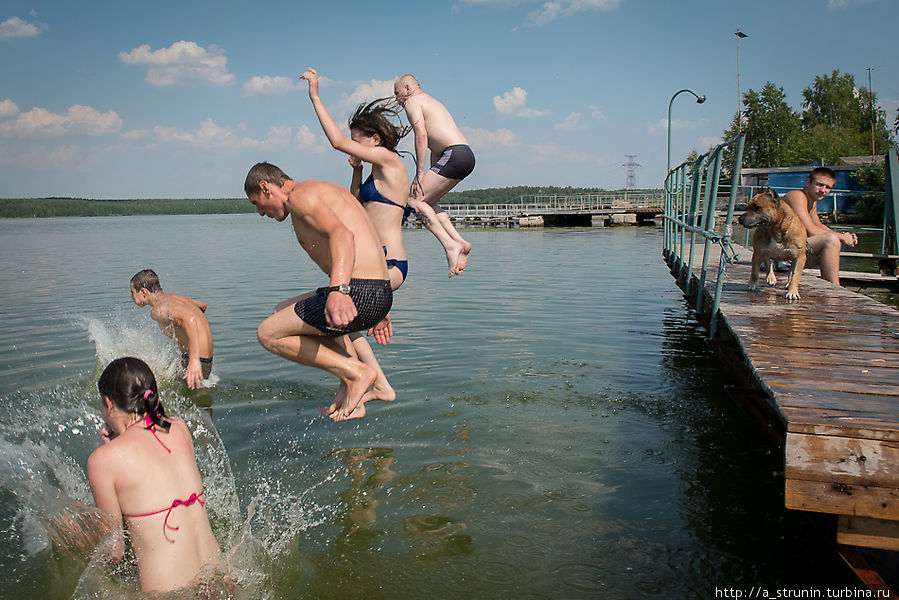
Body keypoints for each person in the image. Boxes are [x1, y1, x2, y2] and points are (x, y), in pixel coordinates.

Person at [244, 161, 393, 421]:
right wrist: (379, 305)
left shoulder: (299, 196)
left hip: (359, 290)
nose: (259, 212)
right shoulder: (323, 191)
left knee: (268, 334)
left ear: (265, 187)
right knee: (282, 310)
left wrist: (339, 291)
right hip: (377, 290)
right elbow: (371, 242)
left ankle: (355, 372)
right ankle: (353, 380)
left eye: (256, 203)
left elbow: (343, 235)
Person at [300, 67, 410, 409]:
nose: (353, 146)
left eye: (357, 139)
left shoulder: (390, 161)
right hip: (375, 268)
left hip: (388, 265)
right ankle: (366, 385)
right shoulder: (374, 169)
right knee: (340, 320)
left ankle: (364, 383)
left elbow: (336, 141)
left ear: (374, 140)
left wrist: (315, 96)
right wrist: (357, 171)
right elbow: (354, 208)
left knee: (335, 315)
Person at [87, 357, 220, 592]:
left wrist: (71, 526)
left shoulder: (103, 460)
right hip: (220, 583)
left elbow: (114, 552)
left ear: (108, 404)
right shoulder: (179, 428)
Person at [394, 74, 474, 277]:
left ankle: (451, 246)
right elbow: (435, 145)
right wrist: (430, 171)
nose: (397, 99)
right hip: (463, 154)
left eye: (397, 93)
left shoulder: (413, 101)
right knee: (427, 202)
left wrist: (419, 174)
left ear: (408, 88)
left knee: (412, 201)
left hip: (454, 154)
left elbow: (421, 134)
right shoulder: (431, 101)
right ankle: (460, 243)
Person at [130, 269, 213, 389]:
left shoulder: (157, 310)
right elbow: (202, 306)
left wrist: (194, 361)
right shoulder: (174, 298)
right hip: (203, 359)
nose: (131, 297)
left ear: (143, 291)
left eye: (132, 292)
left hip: (197, 360)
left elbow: (189, 320)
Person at [783, 167, 858, 285]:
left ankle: (831, 285)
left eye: (828, 187)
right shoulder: (797, 196)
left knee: (832, 241)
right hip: (779, 253)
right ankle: (834, 288)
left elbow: (818, 225)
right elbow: (811, 230)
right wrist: (842, 238)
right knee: (831, 240)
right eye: (819, 185)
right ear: (808, 182)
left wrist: (843, 236)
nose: (823, 190)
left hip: (792, 250)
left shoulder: (812, 201)